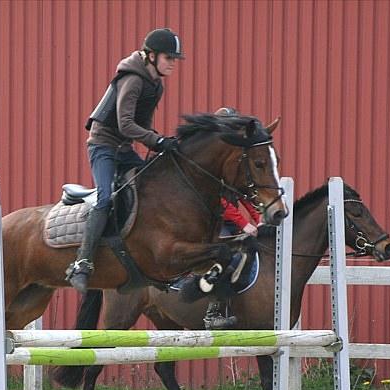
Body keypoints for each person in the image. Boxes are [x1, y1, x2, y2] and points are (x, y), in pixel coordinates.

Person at [66, 28, 185, 293]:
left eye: (175, 59)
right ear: (151, 56)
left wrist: (163, 142)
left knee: (153, 190)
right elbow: (126, 124)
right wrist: (157, 141)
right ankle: (82, 262)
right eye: (169, 57)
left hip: (124, 148)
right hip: (104, 147)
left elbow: (142, 125)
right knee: (106, 199)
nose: (173, 63)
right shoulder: (133, 80)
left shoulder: (155, 85)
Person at [202, 107, 262, 329]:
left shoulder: (232, 161)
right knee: (227, 256)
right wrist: (245, 223)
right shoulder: (210, 161)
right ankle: (212, 313)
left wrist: (259, 218)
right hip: (212, 221)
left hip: (230, 220)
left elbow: (242, 194)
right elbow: (221, 202)